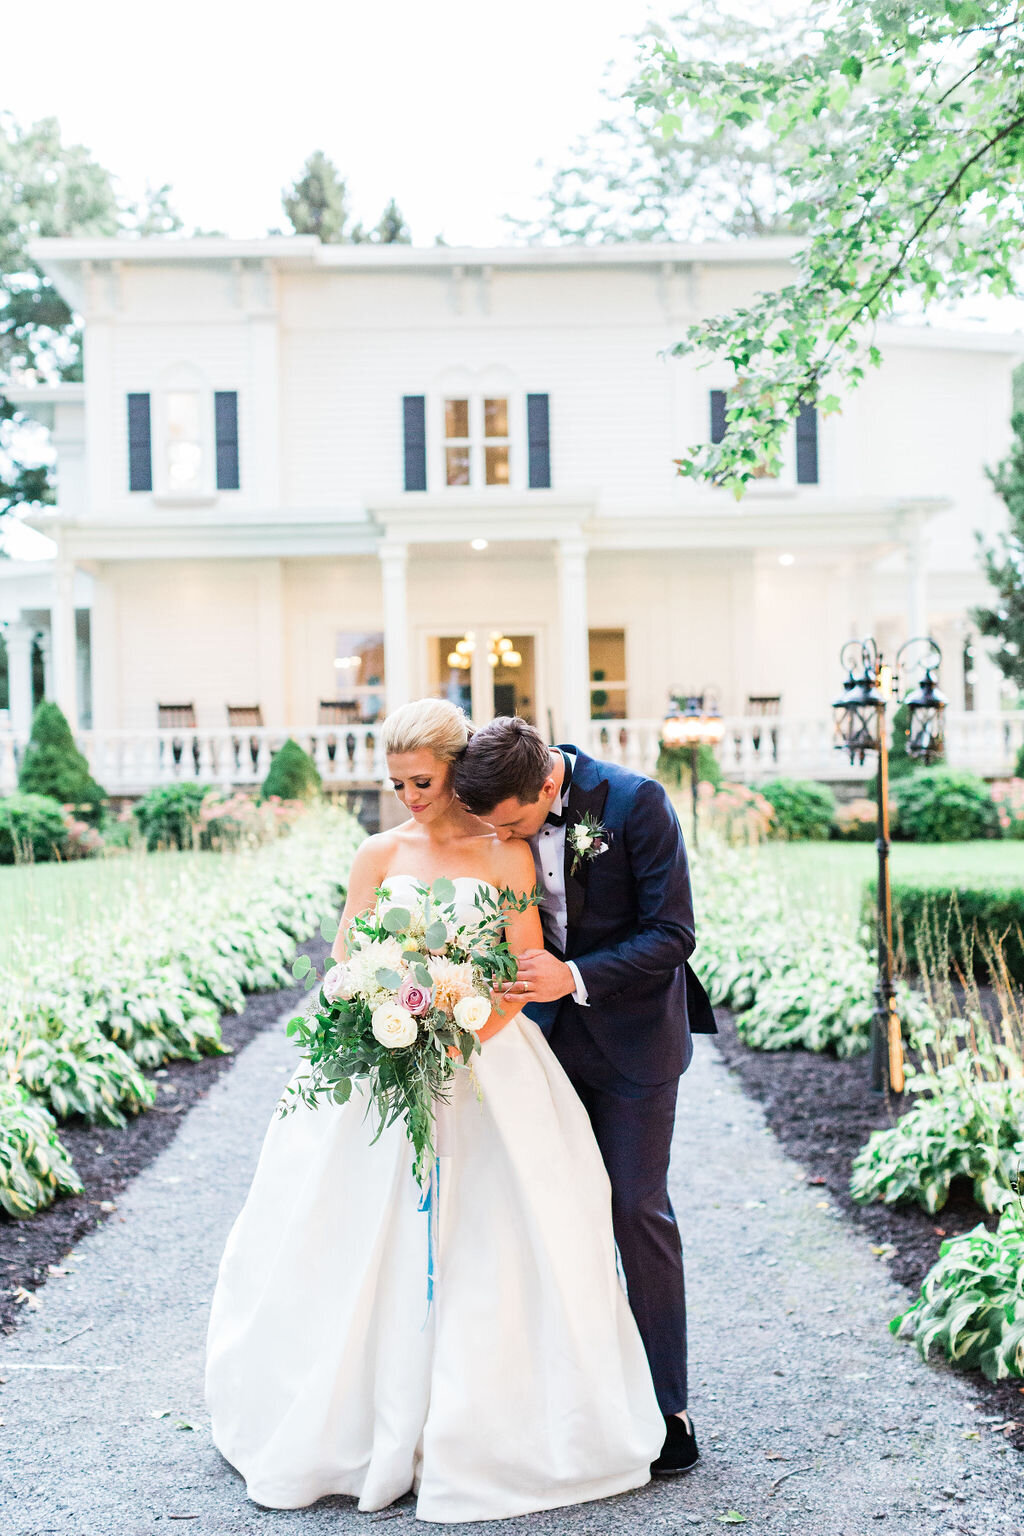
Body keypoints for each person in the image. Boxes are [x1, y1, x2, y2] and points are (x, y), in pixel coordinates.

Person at [205, 699, 663, 1524]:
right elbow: (345, 961)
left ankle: (485, 1426)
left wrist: (463, 1035)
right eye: (396, 782)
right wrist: (383, 1017)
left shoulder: (509, 853)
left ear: (460, 771)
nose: (410, 796)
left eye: (422, 780)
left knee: (501, 1238)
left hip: (486, 1060)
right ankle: (354, 1416)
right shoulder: (377, 852)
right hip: (388, 1058)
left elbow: (526, 969)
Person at [453, 716, 717, 1476]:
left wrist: (573, 976)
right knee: (546, 1216)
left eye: (517, 824)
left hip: (635, 1042)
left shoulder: (637, 803)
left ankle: (669, 1406)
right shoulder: (491, 810)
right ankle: (572, 1402)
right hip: (536, 1047)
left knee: (636, 1209)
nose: (504, 837)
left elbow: (673, 933)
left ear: (547, 784)